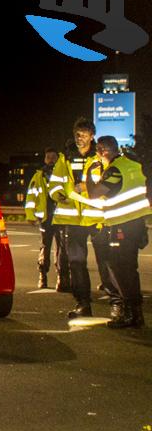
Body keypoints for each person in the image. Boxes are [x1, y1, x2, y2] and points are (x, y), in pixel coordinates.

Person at [76, 136, 150, 328]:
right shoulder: (133, 165)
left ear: (103, 150)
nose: (98, 155)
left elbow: (94, 193)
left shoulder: (114, 170)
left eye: (99, 151)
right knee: (130, 269)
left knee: (120, 269)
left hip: (122, 226)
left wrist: (90, 175)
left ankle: (129, 313)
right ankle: (136, 314)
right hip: (137, 224)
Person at [48, 117, 116, 318]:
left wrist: (87, 188)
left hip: (96, 218)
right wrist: (58, 194)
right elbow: (55, 183)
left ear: (92, 135)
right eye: (77, 134)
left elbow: (109, 182)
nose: (79, 138)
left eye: (83, 135)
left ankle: (116, 302)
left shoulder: (100, 155)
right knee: (76, 263)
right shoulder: (65, 157)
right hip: (73, 220)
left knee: (106, 261)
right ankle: (83, 304)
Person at [25, 148, 69, 289]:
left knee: (62, 250)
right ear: (44, 159)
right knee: (45, 247)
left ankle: (62, 279)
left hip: (62, 217)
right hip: (46, 218)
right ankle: (42, 276)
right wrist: (30, 215)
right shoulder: (39, 176)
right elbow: (31, 196)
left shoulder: (64, 174)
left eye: (53, 157)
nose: (50, 159)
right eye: (48, 157)